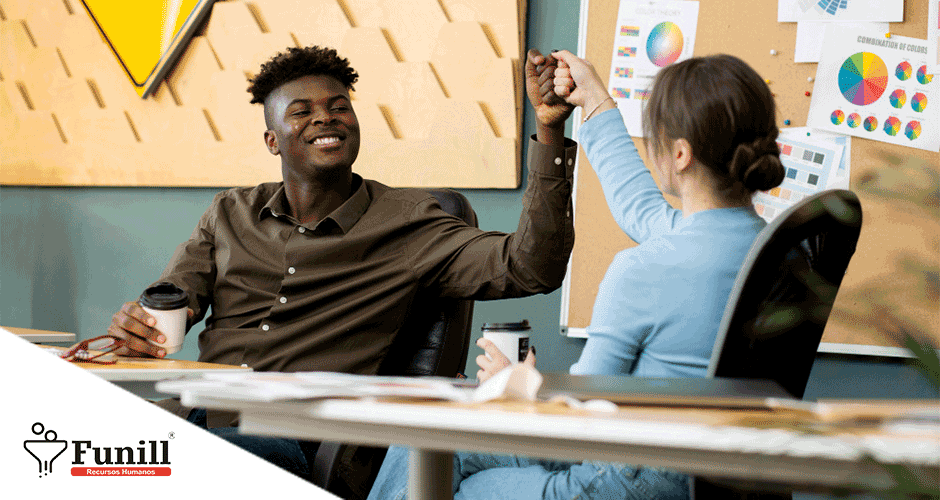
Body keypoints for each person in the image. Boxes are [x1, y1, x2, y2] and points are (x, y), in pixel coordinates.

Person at [106, 45, 577, 484]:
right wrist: (141, 326)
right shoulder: (230, 213)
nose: (324, 118)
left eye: (338, 107)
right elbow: (172, 299)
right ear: (272, 140)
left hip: (298, 442)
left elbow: (530, 266)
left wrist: (550, 131)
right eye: (301, 111)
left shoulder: (408, 223)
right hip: (199, 416)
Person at [367, 50, 785, 500]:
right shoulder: (775, 249)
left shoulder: (644, 270)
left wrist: (517, 385)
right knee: (438, 443)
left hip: (625, 479)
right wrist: (595, 101)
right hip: (717, 471)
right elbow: (639, 209)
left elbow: (579, 420)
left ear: (679, 154)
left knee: (439, 460)